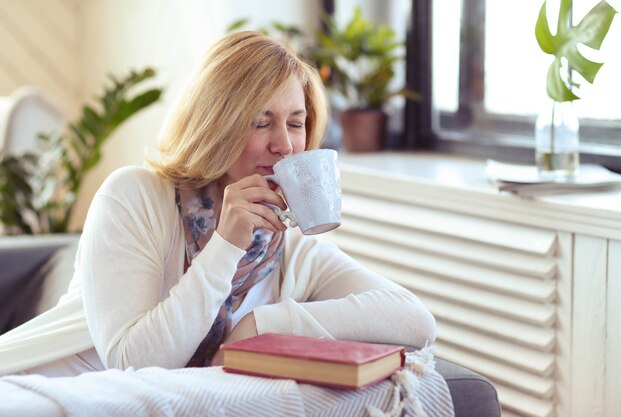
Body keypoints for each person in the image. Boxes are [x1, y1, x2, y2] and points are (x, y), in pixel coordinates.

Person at [0, 31, 436, 377]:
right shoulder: (133, 197)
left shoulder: (288, 251)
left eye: (296, 123)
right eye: (259, 122)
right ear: (215, 126)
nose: (284, 144)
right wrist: (225, 246)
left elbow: (415, 320)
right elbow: (134, 364)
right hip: (46, 389)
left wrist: (261, 326)